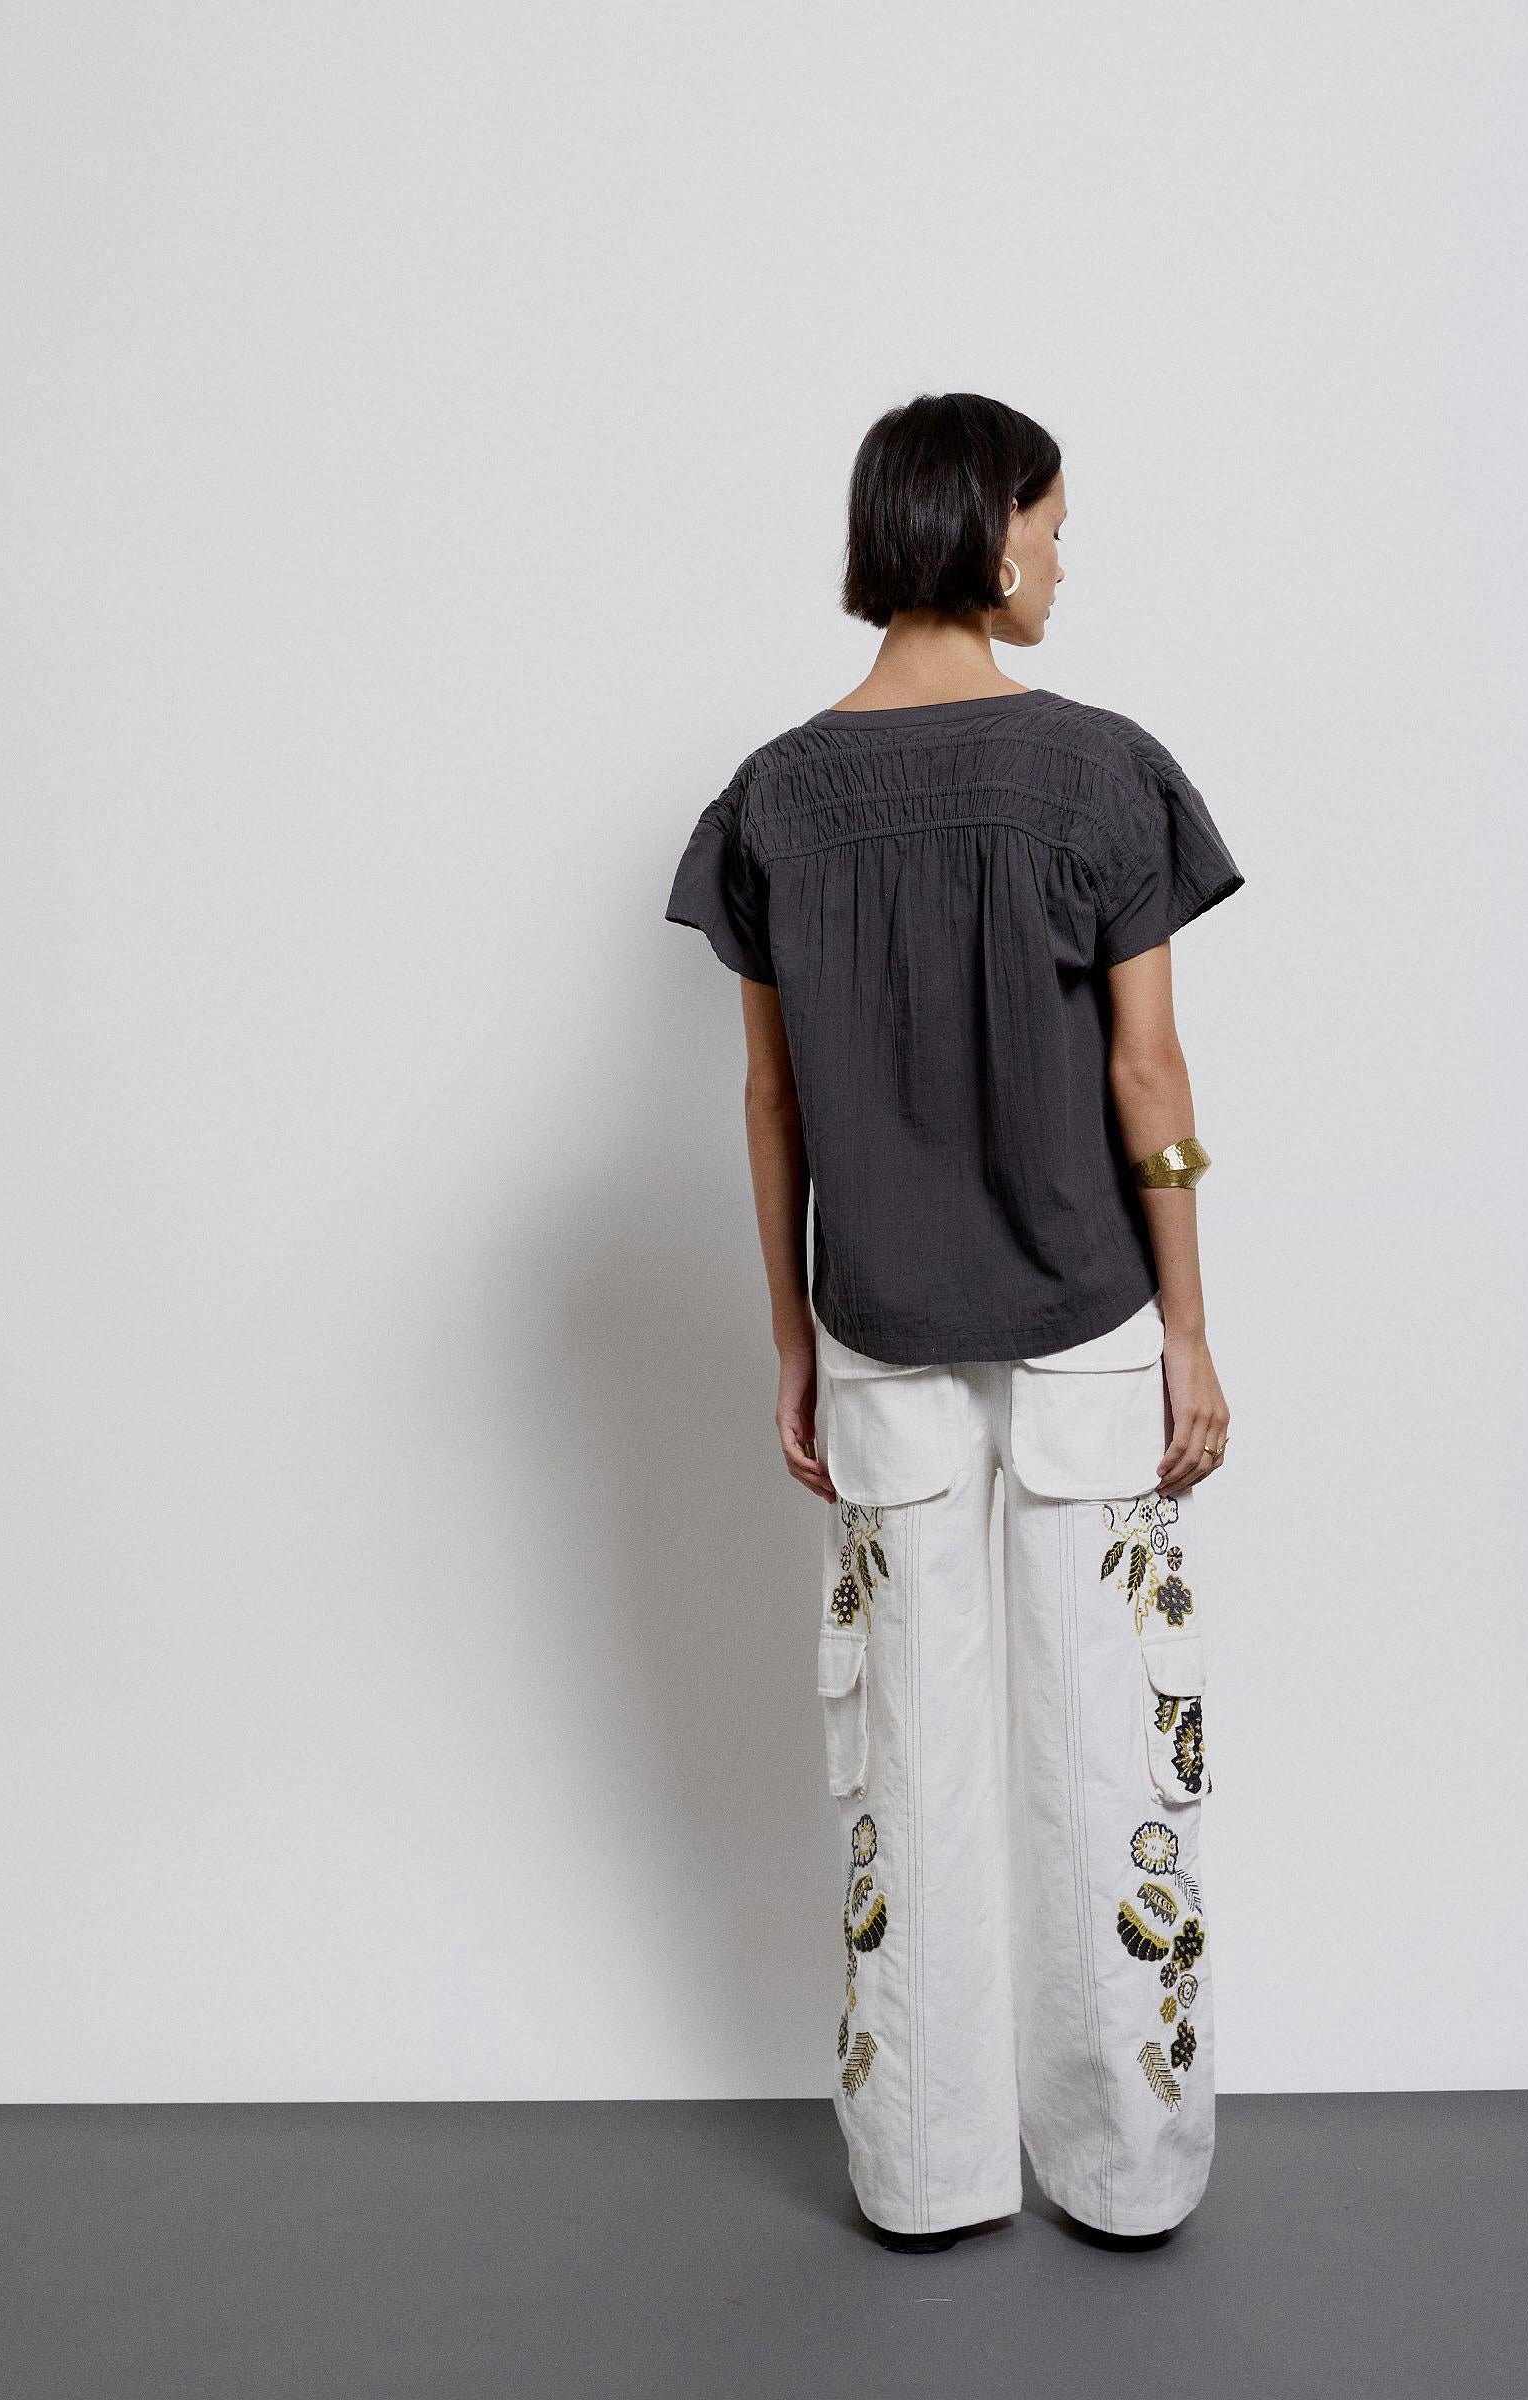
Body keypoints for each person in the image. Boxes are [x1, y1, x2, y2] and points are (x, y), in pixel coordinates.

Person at [663, 391, 1244, 2252]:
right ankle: (1128, 2173)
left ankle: (921, 2177)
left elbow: (772, 1102)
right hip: (1089, 1318)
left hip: (879, 1326)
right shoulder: (1103, 774)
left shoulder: (775, 799)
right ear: (991, 535)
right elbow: (1147, 1075)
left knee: (904, 1760)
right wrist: (1191, 1329)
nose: (1066, 558)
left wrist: (790, 1340)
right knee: (1105, 1747)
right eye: (1055, 525)